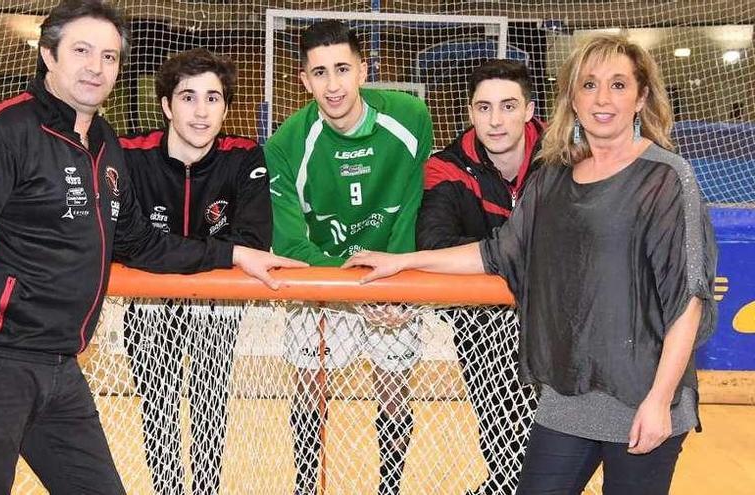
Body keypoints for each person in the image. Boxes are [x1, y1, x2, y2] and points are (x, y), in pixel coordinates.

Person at [0, 2, 302, 494]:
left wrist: (233, 254)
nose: (96, 66)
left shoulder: (104, 142)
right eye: (82, 51)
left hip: (61, 370)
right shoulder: (1, 133)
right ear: (49, 55)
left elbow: (135, 241)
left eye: (109, 56)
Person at [344, 34, 716, 495]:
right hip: (566, 394)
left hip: (643, 394)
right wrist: (403, 262)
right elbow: (496, 253)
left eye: (618, 85)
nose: (603, 99)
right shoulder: (553, 178)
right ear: (571, 100)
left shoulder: (666, 176)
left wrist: (660, 400)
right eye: (589, 85)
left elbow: (686, 299)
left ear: (641, 97)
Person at [265, 20, 433, 495]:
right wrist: (354, 289)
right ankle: (305, 485)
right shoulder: (285, 145)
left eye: (342, 69)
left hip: (393, 280)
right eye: (319, 73)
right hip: (324, 282)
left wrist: (392, 280)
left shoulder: (412, 116)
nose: (333, 84)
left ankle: (390, 488)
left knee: (394, 388)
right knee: (308, 387)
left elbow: (415, 206)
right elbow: (291, 242)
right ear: (304, 80)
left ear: (364, 69)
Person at [119, 48, 271, 494]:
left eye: (213, 98)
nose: (201, 112)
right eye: (188, 98)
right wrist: (224, 253)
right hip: (147, 307)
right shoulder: (129, 155)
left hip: (216, 306)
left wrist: (166, 252)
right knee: (158, 412)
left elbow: (253, 243)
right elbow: (129, 244)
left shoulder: (244, 157)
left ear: (226, 106)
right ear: (166, 105)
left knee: (210, 409)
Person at [416, 59, 543, 495]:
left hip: (556, 323)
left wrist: (486, 256)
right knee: (503, 446)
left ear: (528, 110)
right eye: (483, 107)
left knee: (556, 447)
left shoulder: (565, 158)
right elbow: (433, 246)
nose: (495, 120)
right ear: (470, 113)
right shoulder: (446, 167)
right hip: (480, 325)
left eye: (508, 106)